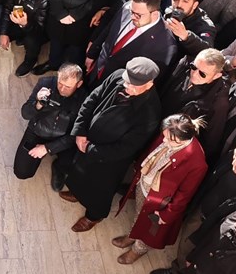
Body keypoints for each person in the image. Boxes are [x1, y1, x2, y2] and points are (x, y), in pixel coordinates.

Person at [63, 57, 162, 231]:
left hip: (109, 159)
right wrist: (80, 131)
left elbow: (127, 147)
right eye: (127, 81)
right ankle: (77, 192)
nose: (127, 87)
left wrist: (90, 148)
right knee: (79, 171)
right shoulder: (118, 76)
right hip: (87, 140)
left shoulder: (151, 112)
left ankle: (94, 216)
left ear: (150, 83)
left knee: (100, 190)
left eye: (134, 85)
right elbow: (92, 99)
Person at [116, 114, 208, 265]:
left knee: (150, 229)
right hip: (144, 187)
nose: (164, 140)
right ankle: (132, 235)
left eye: (170, 140)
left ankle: (137, 250)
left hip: (159, 203)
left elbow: (184, 195)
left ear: (183, 140)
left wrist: (167, 214)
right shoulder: (170, 134)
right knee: (139, 214)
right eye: (164, 135)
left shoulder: (197, 163)